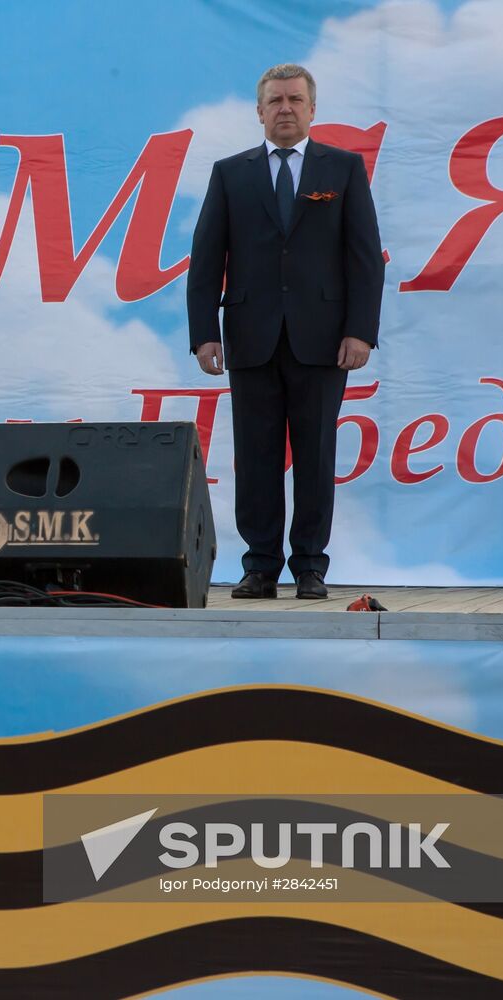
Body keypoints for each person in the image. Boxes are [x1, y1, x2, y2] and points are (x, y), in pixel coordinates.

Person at [186, 63, 383, 600]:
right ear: (259, 111)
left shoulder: (342, 170)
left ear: (313, 109)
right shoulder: (230, 173)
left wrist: (361, 330)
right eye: (275, 101)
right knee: (256, 459)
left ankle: (311, 566)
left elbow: (365, 259)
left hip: (323, 341)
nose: (286, 109)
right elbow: (206, 259)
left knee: (316, 457)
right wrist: (204, 332)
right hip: (250, 338)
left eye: (296, 99)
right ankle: (260, 566)